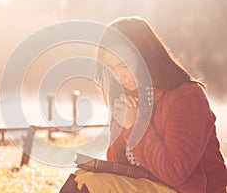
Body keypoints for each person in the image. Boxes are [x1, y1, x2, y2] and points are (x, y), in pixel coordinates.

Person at [60, 17, 227, 193]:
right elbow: (120, 168)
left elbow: (175, 173)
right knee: (81, 180)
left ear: (147, 57)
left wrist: (134, 125)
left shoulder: (186, 96)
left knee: (88, 185)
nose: (119, 77)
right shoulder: (127, 101)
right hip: (147, 187)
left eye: (123, 66)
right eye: (112, 69)